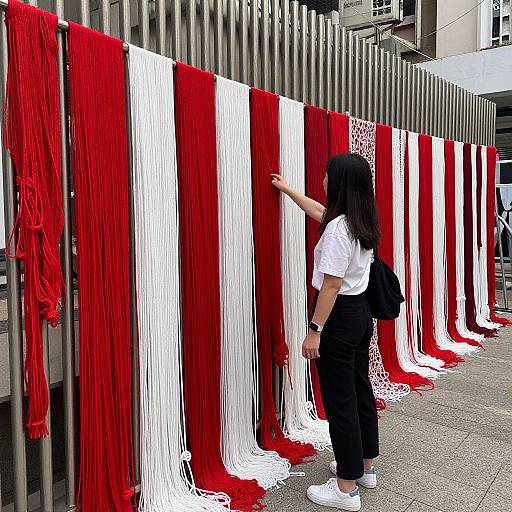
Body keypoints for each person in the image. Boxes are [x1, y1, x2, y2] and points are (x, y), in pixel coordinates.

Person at [271, 153, 380, 512]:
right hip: (361, 316)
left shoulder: (338, 229)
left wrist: (314, 331)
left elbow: (331, 286)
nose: (323, 180)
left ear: (340, 183)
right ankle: (364, 467)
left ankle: (345, 489)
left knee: (340, 400)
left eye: (326, 175)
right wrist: (289, 191)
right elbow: (319, 210)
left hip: (337, 317)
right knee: (360, 389)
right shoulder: (359, 219)